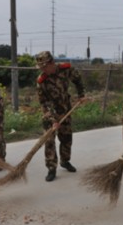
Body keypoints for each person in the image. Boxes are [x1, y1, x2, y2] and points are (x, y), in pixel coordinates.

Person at [36, 51, 86, 182]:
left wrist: (81, 94)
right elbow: (43, 104)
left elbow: (77, 79)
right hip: (50, 114)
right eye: (41, 68)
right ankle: (51, 168)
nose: (43, 70)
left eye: (44, 67)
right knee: (49, 141)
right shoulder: (42, 81)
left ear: (52, 63)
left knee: (66, 138)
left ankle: (65, 161)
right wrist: (53, 120)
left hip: (65, 110)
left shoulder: (66, 69)